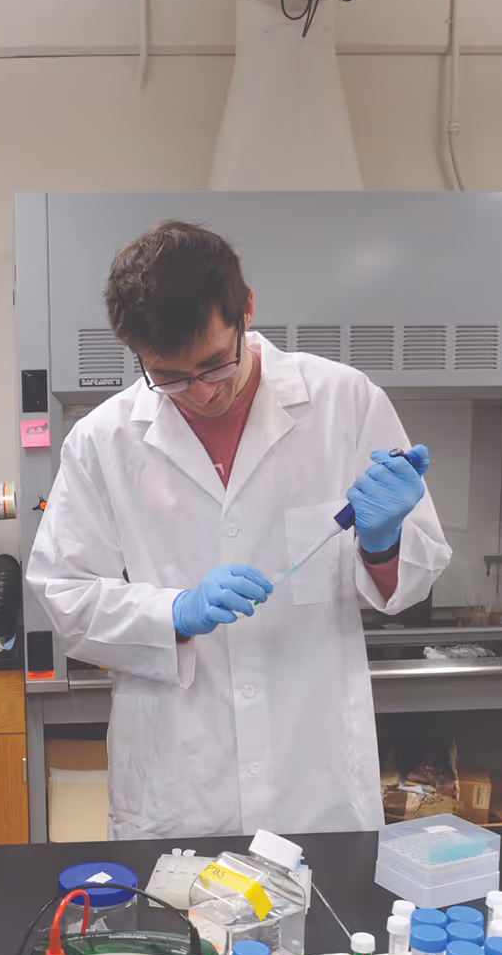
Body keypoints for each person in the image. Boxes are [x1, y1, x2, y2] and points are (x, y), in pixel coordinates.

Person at [27, 221, 451, 840]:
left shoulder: (344, 403)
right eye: (168, 376)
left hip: (314, 782)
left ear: (246, 310)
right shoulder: (102, 441)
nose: (198, 393)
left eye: (213, 365)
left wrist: (382, 541)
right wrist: (174, 611)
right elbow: (64, 594)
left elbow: (415, 573)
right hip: (179, 786)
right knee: (180, 930)